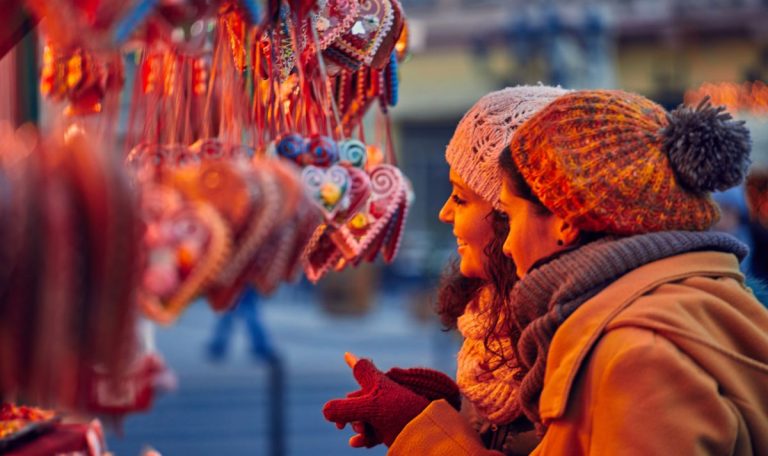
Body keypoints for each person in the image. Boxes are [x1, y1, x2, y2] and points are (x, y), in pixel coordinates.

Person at [323, 90, 768, 455]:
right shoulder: (651, 319)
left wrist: (420, 435)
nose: (509, 240)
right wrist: (447, 413)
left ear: (563, 221)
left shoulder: (637, 355)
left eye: (510, 216)